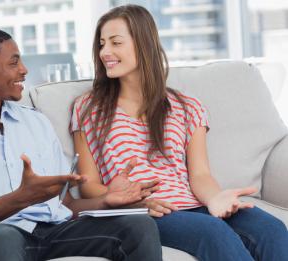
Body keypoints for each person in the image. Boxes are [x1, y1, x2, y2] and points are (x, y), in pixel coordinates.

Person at [0, 26, 162, 261]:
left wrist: (107, 200)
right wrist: (21, 199)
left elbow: (67, 207)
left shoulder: (35, 123)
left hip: (50, 233)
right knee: (3, 237)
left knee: (137, 225)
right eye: (13, 62)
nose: (24, 70)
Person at [70, 5, 288, 261]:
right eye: (102, 44)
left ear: (144, 44)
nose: (105, 52)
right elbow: (88, 187)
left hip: (194, 204)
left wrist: (216, 199)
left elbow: (200, 174)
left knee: (271, 229)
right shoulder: (88, 108)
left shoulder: (187, 106)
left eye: (116, 43)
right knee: (213, 232)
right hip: (146, 212)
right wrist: (125, 200)